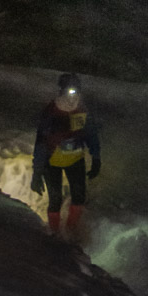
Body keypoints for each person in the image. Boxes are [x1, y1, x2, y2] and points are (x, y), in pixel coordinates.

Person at [30, 72, 102, 236]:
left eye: (76, 91)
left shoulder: (83, 110)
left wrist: (96, 158)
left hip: (75, 159)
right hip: (51, 161)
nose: (73, 96)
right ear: (61, 91)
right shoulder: (51, 112)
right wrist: (37, 172)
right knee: (55, 199)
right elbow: (41, 143)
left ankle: (70, 230)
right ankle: (54, 233)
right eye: (69, 91)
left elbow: (91, 135)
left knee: (79, 197)